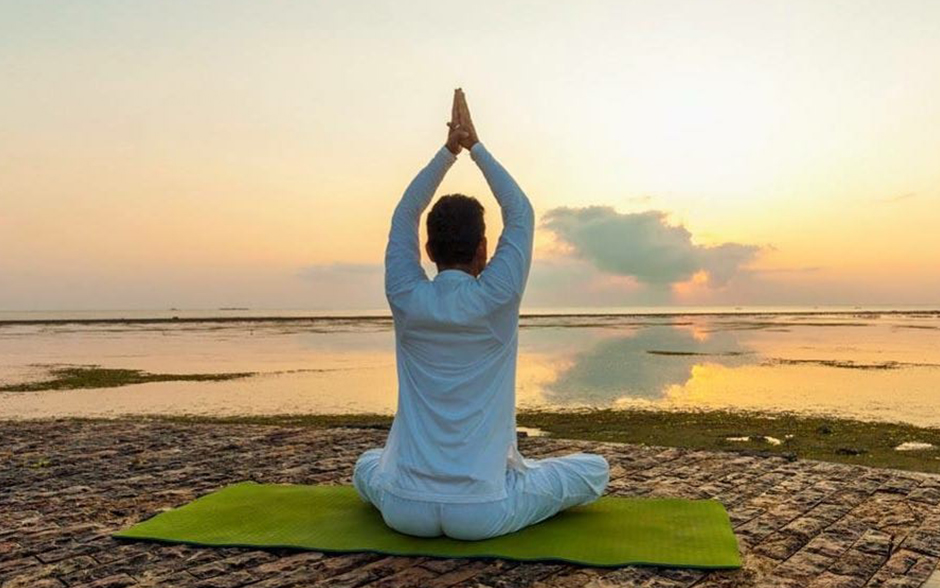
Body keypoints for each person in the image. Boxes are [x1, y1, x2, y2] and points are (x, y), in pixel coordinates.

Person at [352, 89, 609, 541]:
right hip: (482, 512)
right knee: (595, 469)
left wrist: (448, 152)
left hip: (404, 508)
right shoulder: (496, 299)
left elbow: (403, 215)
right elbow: (520, 213)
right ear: (483, 250)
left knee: (366, 465)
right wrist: (474, 147)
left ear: (427, 250)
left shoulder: (407, 297)